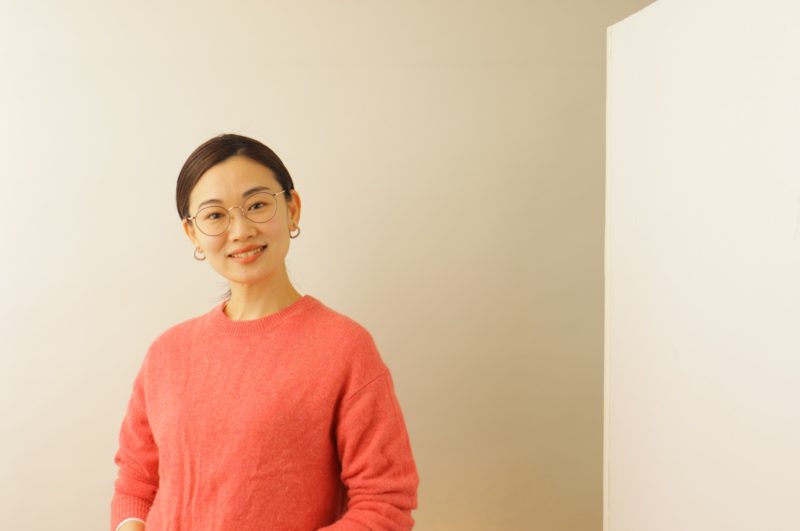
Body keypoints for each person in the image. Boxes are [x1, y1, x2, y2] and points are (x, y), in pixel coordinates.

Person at [110, 133, 420, 531]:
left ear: (292, 209)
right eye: (215, 215)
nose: (240, 230)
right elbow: (136, 482)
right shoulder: (166, 353)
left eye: (257, 205)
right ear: (193, 233)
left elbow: (385, 504)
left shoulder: (345, 348)